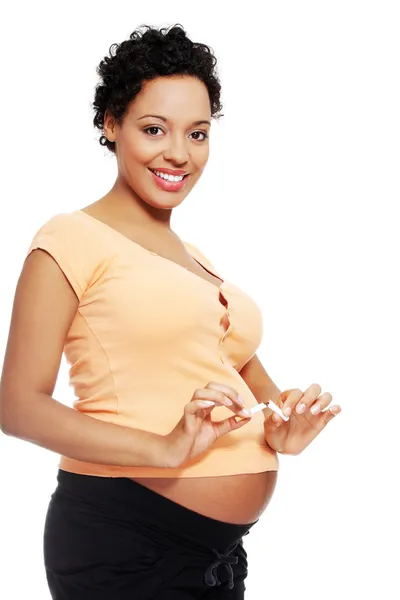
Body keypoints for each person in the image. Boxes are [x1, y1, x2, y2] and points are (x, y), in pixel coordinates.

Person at [0, 23, 341, 600]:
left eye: (198, 133)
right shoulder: (70, 238)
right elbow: (18, 406)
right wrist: (162, 450)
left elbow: (252, 389)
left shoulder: (197, 260)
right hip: (125, 540)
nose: (179, 154)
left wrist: (287, 425)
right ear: (111, 124)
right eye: (154, 129)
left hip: (217, 554)